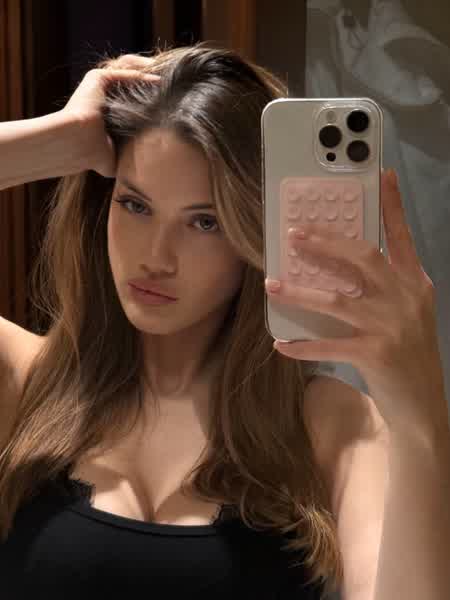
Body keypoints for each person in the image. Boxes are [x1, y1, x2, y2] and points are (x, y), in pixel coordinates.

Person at [1, 42, 448, 600]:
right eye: (135, 205)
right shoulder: (24, 380)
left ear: (255, 234)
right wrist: (56, 141)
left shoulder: (332, 425)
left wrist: (420, 412)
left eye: (205, 222)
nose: (156, 257)